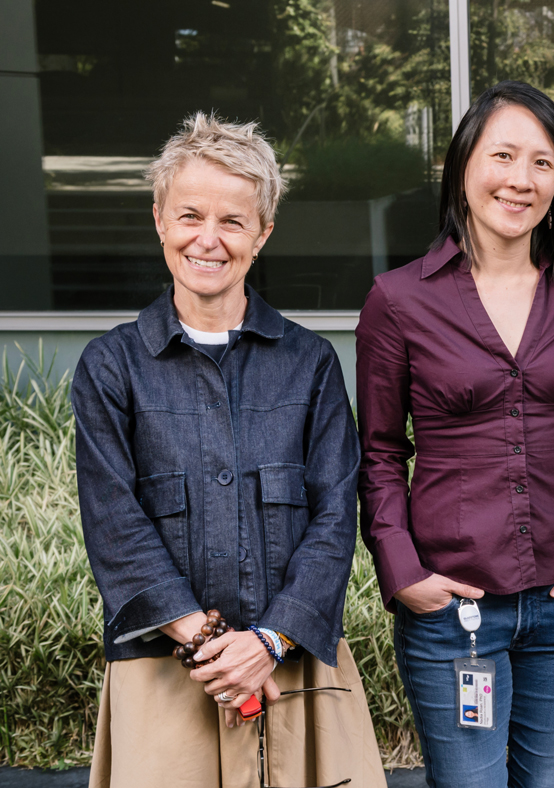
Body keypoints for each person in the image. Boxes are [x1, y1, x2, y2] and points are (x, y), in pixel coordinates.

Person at [72, 112, 385, 788]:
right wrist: (218, 649)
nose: (207, 240)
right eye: (189, 216)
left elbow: (336, 517)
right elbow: (113, 524)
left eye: (233, 221)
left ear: (263, 232)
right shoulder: (111, 368)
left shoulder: (310, 364)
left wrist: (269, 642)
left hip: (294, 663)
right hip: (162, 670)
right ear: (159, 218)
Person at [356, 80, 554, 788]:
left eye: (542, 163)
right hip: (452, 607)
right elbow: (380, 451)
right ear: (464, 166)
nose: (520, 180)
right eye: (503, 155)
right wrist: (401, 569)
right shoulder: (399, 301)